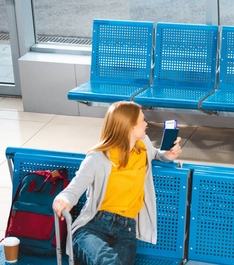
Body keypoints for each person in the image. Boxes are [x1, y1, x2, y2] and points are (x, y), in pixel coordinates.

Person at [52, 101, 182, 264]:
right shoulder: (98, 158)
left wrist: (167, 155)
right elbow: (76, 186)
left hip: (126, 229)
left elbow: (156, 154)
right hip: (93, 225)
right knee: (109, 261)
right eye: (142, 120)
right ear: (130, 127)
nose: (146, 123)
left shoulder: (143, 145)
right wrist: (64, 199)